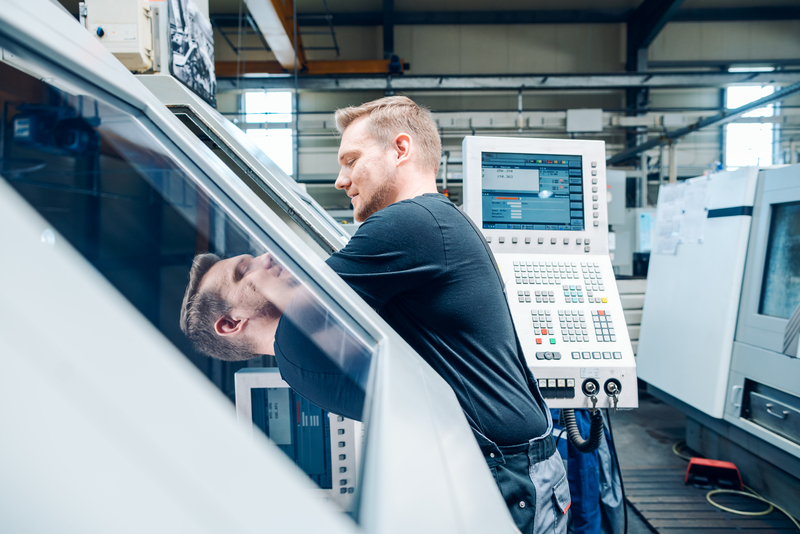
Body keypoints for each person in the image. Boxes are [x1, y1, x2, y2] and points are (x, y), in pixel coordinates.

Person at [180, 96, 570, 533]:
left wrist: (270, 282)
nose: (341, 179)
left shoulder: (410, 223)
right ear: (230, 323)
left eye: (351, 160)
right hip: (508, 473)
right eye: (242, 270)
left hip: (505, 478)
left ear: (401, 150)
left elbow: (320, 311)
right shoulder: (429, 221)